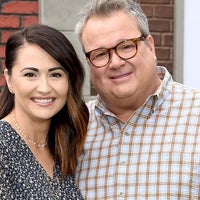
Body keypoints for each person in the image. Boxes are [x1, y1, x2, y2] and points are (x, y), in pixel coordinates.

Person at [75, 0, 200, 199]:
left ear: (150, 47)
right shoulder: (74, 128)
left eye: (125, 47)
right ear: (89, 63)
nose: (115, 63)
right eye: (100, 54)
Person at [0, 24, 89, 199]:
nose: (44, 88)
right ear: (9, 80)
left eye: (55, 74)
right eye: (30, 75)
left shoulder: (63, 144)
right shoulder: (3, 145)